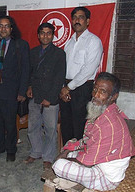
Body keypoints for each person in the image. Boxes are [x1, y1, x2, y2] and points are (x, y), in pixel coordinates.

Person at [52, 72, 135, 191]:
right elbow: (87, 140)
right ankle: (74, 178)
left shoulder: (108, 124)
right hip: (100, 161)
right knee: (70, 151)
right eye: (95, 89)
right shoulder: (103, 111)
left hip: (107, 177)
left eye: (103, 92)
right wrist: (68, 151)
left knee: (58, 166)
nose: (96, 95)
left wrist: (63, 158)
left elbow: (87, 162)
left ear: (114, 96)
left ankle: (77, 180)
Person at [0, 15, 30, 162]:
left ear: (11, 28)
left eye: (6, 26)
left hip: (11, 91)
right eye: (1, 26)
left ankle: (11, 149)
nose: (3, 29)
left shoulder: (20, 45)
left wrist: (22, 91)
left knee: (10, 122)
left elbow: (25, 70)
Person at [24, 23, 66, 170]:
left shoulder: (59, 53)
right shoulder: (33, 52)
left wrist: (50, 97)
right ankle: (36, 152)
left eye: (48, 33)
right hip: (35, 94)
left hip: (50, 96)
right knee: (33, 126)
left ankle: (48, 156)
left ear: (53, 36)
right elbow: (29, 72)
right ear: (38, 35)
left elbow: (59, 78)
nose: (45, 36)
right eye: (42, 33)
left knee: (50, 128)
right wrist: (29, 86)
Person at [60, 7, 103, 145]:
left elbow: (88, 69)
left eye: (81, 17)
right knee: (66, 122)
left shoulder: (93, 41)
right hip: (66, 86)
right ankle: (67, 154)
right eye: (74, 17)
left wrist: (69, 87)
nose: (77, 20)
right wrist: (63, 87)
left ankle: (79, 155)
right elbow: (64, 67)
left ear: (88, 21)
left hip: (82, 87)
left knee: (79, 123)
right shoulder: (70, 42)